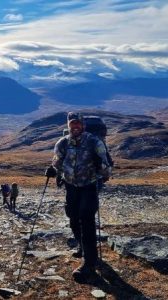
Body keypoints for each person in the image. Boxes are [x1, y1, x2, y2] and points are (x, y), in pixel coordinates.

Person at [45, 112, 111, 282]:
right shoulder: (63, 143)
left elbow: (107, 170)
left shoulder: (94, 142)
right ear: (68, 125)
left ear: (83, 125)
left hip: (89, 186)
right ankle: (82, 246)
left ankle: (89, 263)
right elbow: (57, 162)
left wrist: (100, 166)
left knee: (86, 219)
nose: (75, 127)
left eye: (78, 124)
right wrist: (53, 170)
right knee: (73, 218)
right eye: (72, 124)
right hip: (71, 186)